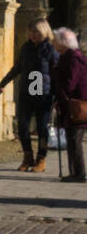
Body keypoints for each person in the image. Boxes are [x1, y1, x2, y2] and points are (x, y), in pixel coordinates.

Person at [0, 19, 58, 171]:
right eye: (31, 31)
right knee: (23, 126)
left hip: (44, 93)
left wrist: (57, 95)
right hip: (27, 91)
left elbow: (57, 73)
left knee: (42, 127)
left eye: (36, 31)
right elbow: (17, 68)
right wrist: (3, 83)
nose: (33, 34)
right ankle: (27, 157)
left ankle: (41, 159)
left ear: (44, 31)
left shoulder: (50, 49)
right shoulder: (26, 48)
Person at [51, 27, 87, 183]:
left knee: (74, 140)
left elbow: (70, 83)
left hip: (76, 105)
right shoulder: (71, 57)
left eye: (55, 41)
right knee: (72, 139)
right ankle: (75, 172)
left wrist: (56, 73)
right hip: (73, 104)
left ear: (63, 43)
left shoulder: (73, 59)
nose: (53, 44)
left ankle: (79, 173)